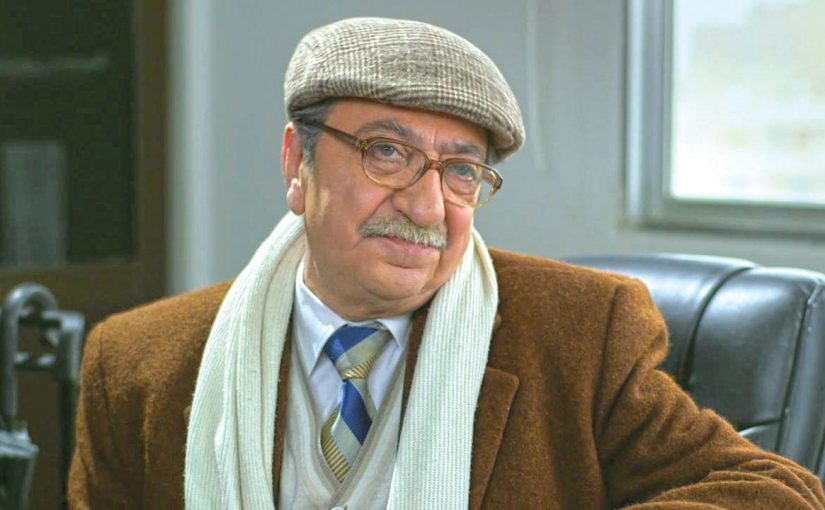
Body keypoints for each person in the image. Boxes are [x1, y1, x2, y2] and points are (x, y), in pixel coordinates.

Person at [68, 17, 824, 510]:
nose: (427, 206)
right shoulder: (137, 362)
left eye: (460, 171)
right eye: (386, 153)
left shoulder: (582, 332)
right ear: (298, 163)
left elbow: (774, 492)